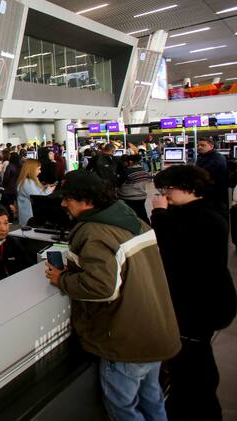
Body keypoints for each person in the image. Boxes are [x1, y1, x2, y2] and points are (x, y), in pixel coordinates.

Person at [45, 171, 180, 421]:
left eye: (68, 198)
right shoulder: (134, 220)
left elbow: (101, 287)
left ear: (87, 200)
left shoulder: (94, 232)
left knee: (123, 408)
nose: (63, 203)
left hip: (126, 341)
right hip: (155, 331)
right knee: (152, 400)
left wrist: (61, 279)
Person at [151, 165, 236, 420]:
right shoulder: (204, 212)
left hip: (199, 305)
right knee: (193, 361)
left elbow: (171, 249)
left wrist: (158, 214)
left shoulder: (200, 219)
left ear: (188, 187)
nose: (164, 194)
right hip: (205, 300)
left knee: (193, 364)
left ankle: (197, 410)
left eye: (167, 189)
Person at [195, 137, 229, 212]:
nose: (199, 147)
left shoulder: (218, 157)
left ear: (211, 146)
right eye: (198, 145)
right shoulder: (201, 157)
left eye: (203, 145)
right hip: (205, 191)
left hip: (216, 195)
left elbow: (202, 172)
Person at [16, 159, 53, 226]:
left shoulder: (28, 182)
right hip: (30, 218)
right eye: (38, 169)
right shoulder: (27, 183)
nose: (40, 171)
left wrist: (45, 188)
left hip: (29, 217)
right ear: (32, 170)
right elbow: (38, 198)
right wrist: (49, 190)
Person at [117, 155, 150, 223]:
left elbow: (118, 184)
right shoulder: (144, 171)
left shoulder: (127, 172)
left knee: (128, 215)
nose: (124, 163)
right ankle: (147, 228)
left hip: (128, 197)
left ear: (130, 162)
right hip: (142, 196)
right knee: (142, 214)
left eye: (125, 162)